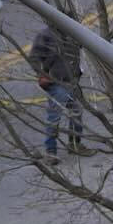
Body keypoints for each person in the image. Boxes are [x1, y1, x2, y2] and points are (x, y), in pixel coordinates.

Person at [31, 21, 86, 157]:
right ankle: (51, 152)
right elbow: (34, 57)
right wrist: (41, 75)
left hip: (72, 82)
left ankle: (75, 144)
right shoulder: (46, 36)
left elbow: (88, 43)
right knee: (55, 117)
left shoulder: (73, 34)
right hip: (56, 83)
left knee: (77, 112)